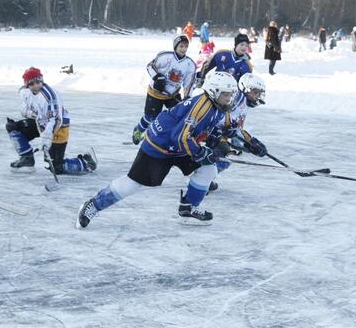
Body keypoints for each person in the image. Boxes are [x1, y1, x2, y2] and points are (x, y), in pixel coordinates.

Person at [76, 71, 238, 229]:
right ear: (213, 91)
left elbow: (196, 132)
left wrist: (213, 142)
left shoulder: (216, 107)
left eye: (231, 94)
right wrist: (201, 153)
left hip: (179, 145)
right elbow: (180, 137)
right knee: (133, 184)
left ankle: (188, 206)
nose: (229, 98)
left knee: (208, 169)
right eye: (226, 94)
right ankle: (93, 205)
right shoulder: (202, 108)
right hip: (160, 145)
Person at [6, 67, 97, 174]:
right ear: (27, 85)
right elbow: (26, 109)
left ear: (42, 80)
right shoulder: (26, 93)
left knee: (56, 167)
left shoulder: (49, 96)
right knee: (13, 127)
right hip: (40, 124)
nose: (36, 85)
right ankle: (27, 159)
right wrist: (30, 113)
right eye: (31, 84)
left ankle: (87, 162)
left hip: (58, 127)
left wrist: (46, 138)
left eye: (38, 82)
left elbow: (56, 120)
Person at [131, 35, 196, 144]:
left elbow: (188, 83)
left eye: (186, 46)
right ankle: (138, 130)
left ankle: (169, 137)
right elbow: (150, 66)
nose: (183, 49)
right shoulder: (165, 56)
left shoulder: (189, 64)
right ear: (175, 46)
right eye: (181, 46)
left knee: (178, 117)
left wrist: (187, 97)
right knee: (150, 117)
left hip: (172, 94)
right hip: (155, 93)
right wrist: (157, 78)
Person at [211, 73, 268, 192]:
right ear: (245, 88)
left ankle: (205, 178)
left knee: (227, 158)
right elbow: (218, 112)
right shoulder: (238, 97)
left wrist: (251, 142)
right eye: (255, 92)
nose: (257, 96)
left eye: (258, 93)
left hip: (220, 134)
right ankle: (201, 179)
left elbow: (236, 128)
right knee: (224, 157)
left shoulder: (244, 104)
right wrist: (225, 127)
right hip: (212, 132)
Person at [187, 33, 253, 94]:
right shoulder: (223, 54)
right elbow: (207, 65)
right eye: (242, 44)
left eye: (246, 45)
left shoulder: (247, 65)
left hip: (231, 93)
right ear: (236, 45)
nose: (244, 47)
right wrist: (201, 77)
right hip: (214, 87)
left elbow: (246, 84)